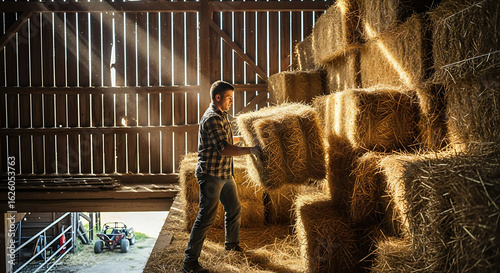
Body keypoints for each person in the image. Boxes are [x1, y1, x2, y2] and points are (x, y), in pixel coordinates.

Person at [182, 80, 261, 273]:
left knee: (234, 208)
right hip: (211, 175)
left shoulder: (221, 115)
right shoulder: (212, 118)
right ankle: (189, 262)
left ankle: (232, 245)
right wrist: (251, 150)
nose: (232, 101)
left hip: (225, 174)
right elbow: (224, 148)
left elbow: (226, 140)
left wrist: (244, 139)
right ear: (218, 97)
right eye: (229, 98)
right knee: (206, 217)